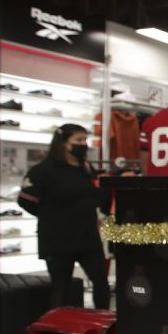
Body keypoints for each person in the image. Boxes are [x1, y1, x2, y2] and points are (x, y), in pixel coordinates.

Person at [18, 124, 111, 310]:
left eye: (85, 140)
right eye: (78, 140)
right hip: (57, 240)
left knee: (101, 282)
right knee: (61, 288)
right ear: (63, 143)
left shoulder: (86, 168)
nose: (83, 144)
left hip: (87, 237)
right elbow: (26, 201)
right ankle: (58, 333)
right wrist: (51, 216)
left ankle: (103, 328)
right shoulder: (44, 170)